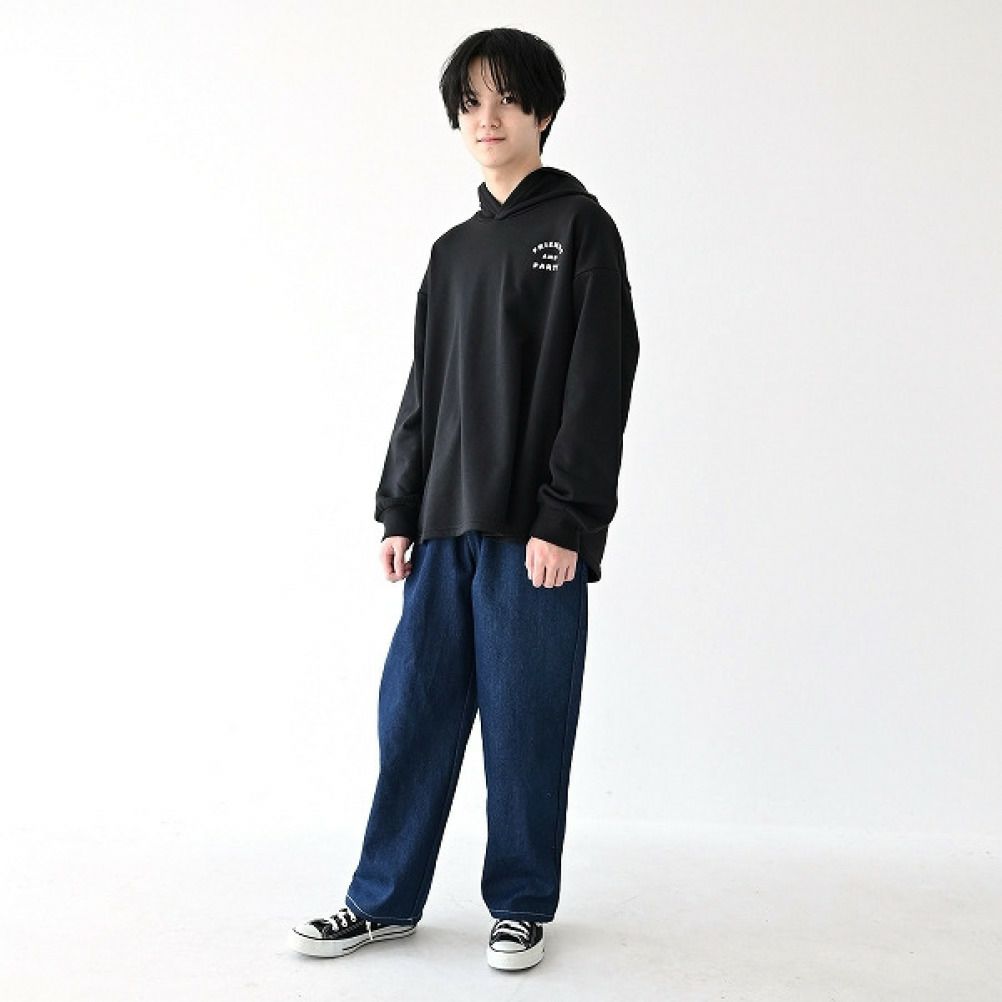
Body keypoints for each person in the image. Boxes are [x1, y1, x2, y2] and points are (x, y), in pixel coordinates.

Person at [289, 26, 640, 972]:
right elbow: (426, 386)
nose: (489, 118)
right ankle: (382, 900)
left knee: (527, 724)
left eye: (508, 99)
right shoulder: (451, 253)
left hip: (533, 535)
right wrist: (399, 507)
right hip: (445, 527)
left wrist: (567, 519)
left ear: (544, 113)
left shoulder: (582, 229)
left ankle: (520, 904)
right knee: (413, 714)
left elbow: (599, 383)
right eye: (472, 102)